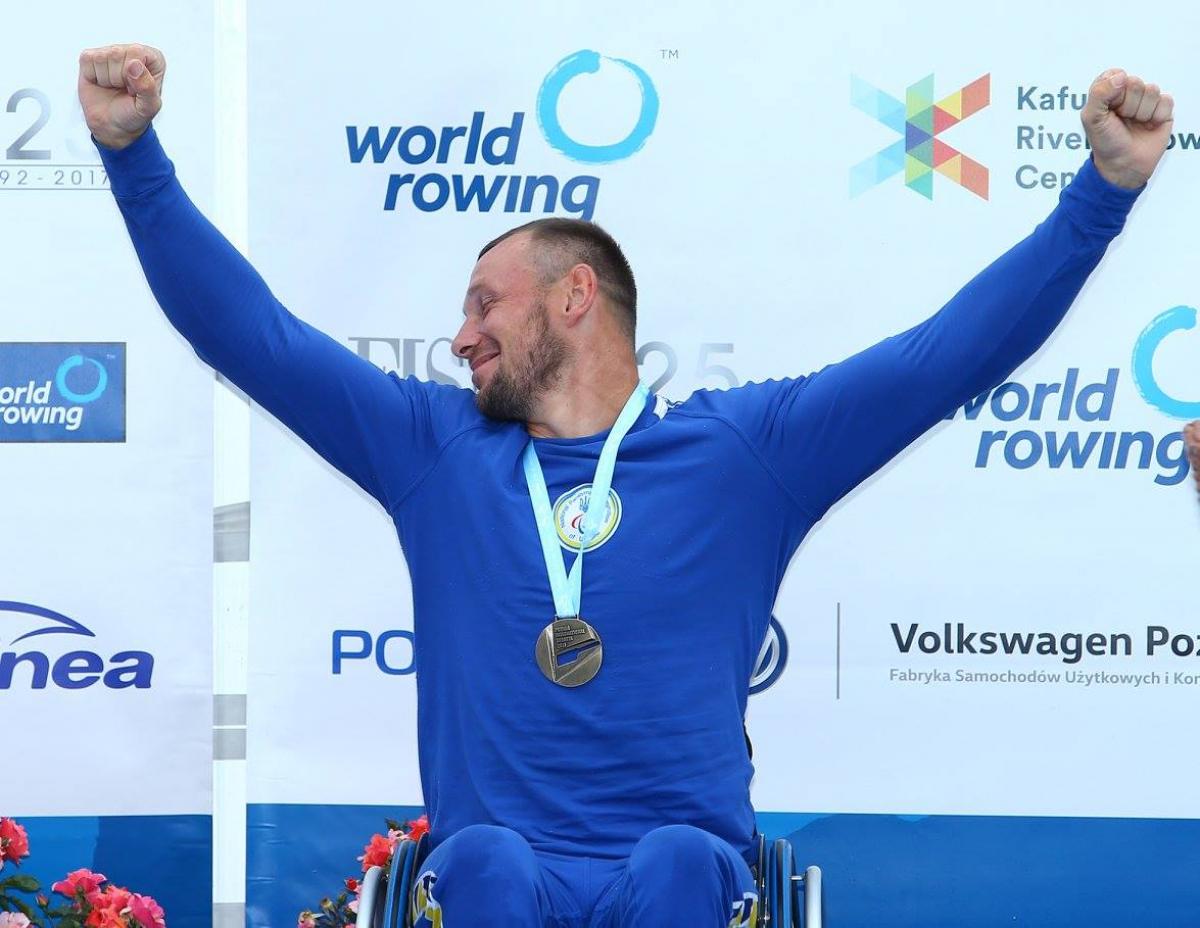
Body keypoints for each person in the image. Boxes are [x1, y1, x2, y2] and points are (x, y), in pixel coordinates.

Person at [78, 43, 1173, 928]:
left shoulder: (749, 451)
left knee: (679, 863)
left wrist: (1102, 196)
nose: (459, 338)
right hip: (496, 881)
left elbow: (948, 357)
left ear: (574, 299)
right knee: (493, 863)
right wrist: (135, 159)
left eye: (483, 305)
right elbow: (252, 334)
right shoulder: (433, 449)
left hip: (682, 884)